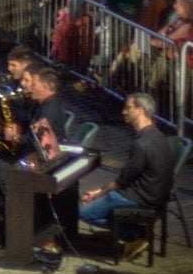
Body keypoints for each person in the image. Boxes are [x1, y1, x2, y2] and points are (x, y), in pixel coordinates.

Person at [68, 92, 177, 246]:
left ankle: (133, 234)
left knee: (85, 214)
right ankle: (128, 230)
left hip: (141, 198)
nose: (123, 111)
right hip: (155, 195)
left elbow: (123, 180)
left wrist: (98, 193)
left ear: (140, 110)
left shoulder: (141, 144)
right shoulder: (158, 136)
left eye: (127, 107)